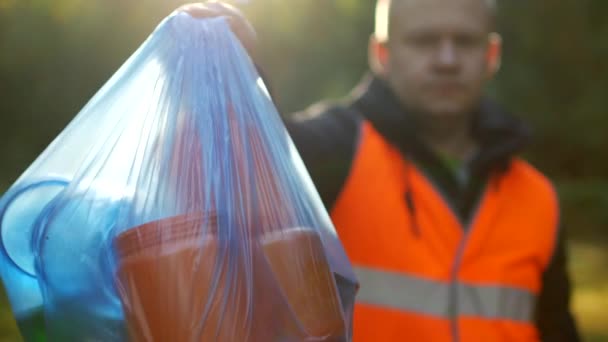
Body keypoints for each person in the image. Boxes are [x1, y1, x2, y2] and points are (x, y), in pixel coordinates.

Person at [181, 0, 581, 340]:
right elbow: (252, 156)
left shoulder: (537, 197)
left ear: (491, 55)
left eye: (465, 42)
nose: (447, 60)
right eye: (424, 41)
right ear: (382, 54)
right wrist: (235, 69)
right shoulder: (335, 149)